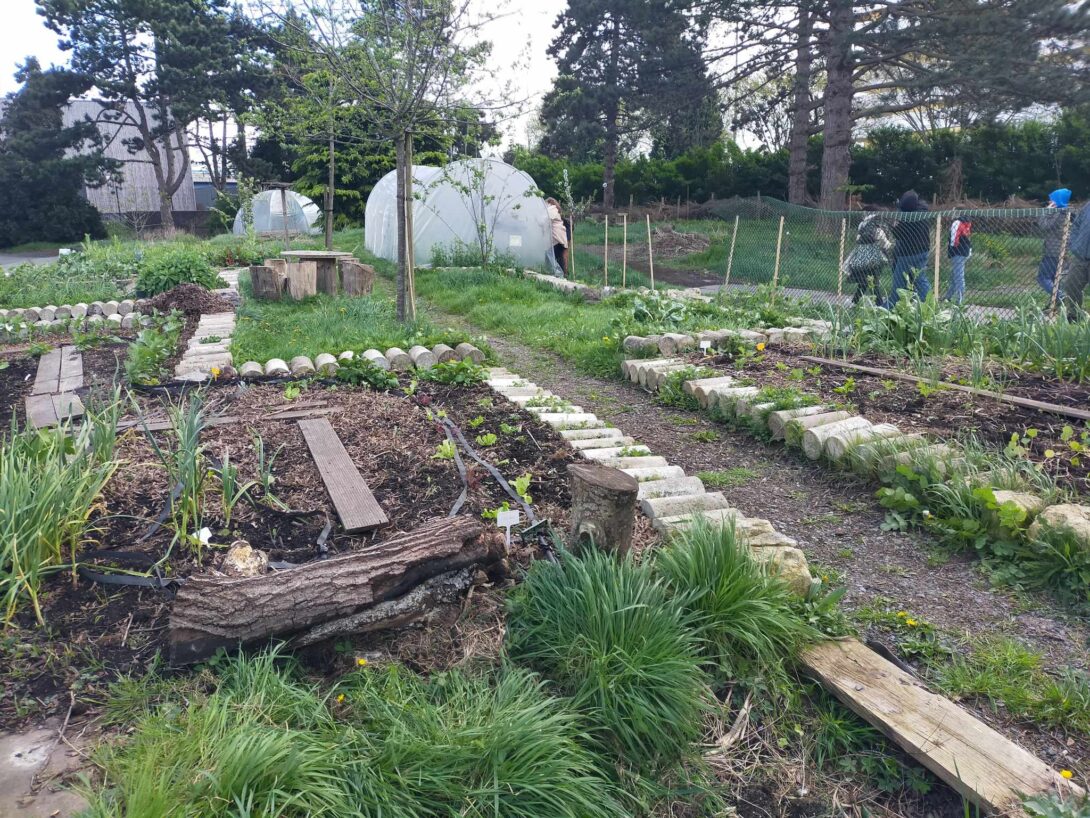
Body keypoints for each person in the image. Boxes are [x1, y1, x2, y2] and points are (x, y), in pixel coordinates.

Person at [886, 190, 932, 308]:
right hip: (923, 250)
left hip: (907, 254)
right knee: (920, 278)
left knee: (899, 282)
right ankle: (929, 305)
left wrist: (894, 225)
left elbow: (899, 233)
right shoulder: (922, 211)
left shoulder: (909, 217)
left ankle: (890, 307)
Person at [843, 208, 893, 304]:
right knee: (872, 283)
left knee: (864, 282)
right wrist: (889, 246)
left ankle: (854, 302)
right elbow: (884, 243)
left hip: (862, 258)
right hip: (875, 259)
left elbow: (858, 239)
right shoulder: (877, 225)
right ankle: (880, 305)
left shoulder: (862, 225)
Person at [1037, 188, 1071, 301]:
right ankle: (1056, 303)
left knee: (1042, 278)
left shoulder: (1059, 213)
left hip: (1053, 253)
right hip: (1059, 252)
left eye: (1052, 200)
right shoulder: (1063, 212)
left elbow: (1043, 225)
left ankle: (1060, 296)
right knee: (1054, 279)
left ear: (1057, 200)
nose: (1049, 202)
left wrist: (1046, 211)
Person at [1062, 200, 1090, 320]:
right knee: (1070, 284)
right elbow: (1076, 225)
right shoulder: (1088, 206)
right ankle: (1074, 315)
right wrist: (1075, 245)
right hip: (1081, 256)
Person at [945, 212, 972, 303]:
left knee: (958, 276)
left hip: (957, 252)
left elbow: (954, 238)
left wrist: (951, 250)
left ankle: (960, 299)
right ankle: (948, 296)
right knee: (954, 275)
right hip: (965, 251)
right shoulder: (967, 223)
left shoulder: (956, 223)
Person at [545, 197, 568, 277]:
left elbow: (545, 220)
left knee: (550, 254)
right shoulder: (555, 210)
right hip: (560, 238)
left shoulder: (552, 209)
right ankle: (561, 274)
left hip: (557, 238)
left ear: (549, 203)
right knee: (558, 256)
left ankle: (558, 274)